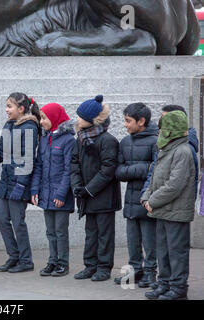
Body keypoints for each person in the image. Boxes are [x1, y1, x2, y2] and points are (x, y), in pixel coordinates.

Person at [142, 110, 196, 300]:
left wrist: (152, 200)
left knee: (176, 252)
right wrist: (146, 197)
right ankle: (164, 284)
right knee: (163, 251)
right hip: (163, 211)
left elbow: (174, 185)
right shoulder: (167, 149)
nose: (160, 131)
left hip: (176, 212)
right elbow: (154, 177)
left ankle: (178, 288)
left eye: (164, 127)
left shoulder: (183, 151)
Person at [70, 95, 121, 282]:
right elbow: (74, 163)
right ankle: (90, 265)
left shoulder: (107, 140)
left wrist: (89, 189)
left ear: (92, 119)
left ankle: (104, 267)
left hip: (104, 197)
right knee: (91, 233)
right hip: (87, 194)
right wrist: (77, 186)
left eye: (80, 116)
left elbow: (108, 169)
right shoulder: (81, 138)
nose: (77, 119)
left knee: (105, 234)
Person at [113, 103, 158, 288]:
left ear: (142, 121)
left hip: (148, 199)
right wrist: (142, 168)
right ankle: (134, 271)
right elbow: (119, 171)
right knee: (133, 240)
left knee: (149, 241)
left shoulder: (156, 141)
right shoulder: (125, 142)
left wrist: (136, 170)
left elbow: (156, 171)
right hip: (130, 200)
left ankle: (150, 272)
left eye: (128, 121)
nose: (125, 125)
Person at [0, 93, 40, 273]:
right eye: (6, 106)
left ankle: (26, 260)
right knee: (1, 218)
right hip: (6, 181)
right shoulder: (9, 125)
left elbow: (28, 160)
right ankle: (13, 256)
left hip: (18, 183)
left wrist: (21, 185)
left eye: (9, 106)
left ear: (21, 109)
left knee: (17, 222)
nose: (6, 110)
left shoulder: (30, 127)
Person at [31, 103, 75, 277]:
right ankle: (53, 260)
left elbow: (68, 170)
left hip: (59, 196)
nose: (41, 122)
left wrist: (61, 194)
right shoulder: (44, 139)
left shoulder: (68, 140)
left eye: (44, 118)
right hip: (46, 194)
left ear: (55, 118)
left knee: (60, 231)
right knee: (50, 231)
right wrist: (35, 190)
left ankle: (63, 263)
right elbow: (39, 167)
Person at [141, 105, 200, 200]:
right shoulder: (165, 143)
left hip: (173, 208)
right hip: (160, 206)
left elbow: (175, 184)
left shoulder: (186, 148)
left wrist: (152, 201)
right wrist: (145, 195)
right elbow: (153, 173)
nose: (161, 124)